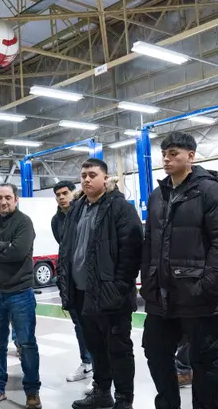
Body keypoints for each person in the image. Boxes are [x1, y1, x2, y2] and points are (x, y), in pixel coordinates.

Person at [140, 131, 218, 409]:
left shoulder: (210, 190)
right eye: (164, 154)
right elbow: (150, 242)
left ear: (190, 156)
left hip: (199, 295)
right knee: (155, 351)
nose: (167, 159)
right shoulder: (158, 194)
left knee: (204, 362)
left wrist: (207, 285)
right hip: (161, 295)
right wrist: (148, 281)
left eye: (174, 154)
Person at [57, 158, 143, 409]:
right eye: (83, 175)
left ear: (105, 179)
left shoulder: (120, 208)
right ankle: (102, 392)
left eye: (92, 175)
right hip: (82, 294)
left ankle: (124, 400)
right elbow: (66, 249)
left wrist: (118, 288)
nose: (86, 179)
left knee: (119, 350)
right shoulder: (76, 208)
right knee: (96, 348)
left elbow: (132, 252)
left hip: (111, 295)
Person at [0, 183, 41, 409]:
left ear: (16, 199)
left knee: (27, 343)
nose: (3, 202)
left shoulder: (24, 223)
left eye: (8, 197)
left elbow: (18, 252)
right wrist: (3, 247)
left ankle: (32, 391)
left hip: (19, 293)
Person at [52, 180, 94, 383]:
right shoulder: (56, 220)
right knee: (79, 324)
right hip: (70, 281)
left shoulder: (85, 212)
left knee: (97, 325)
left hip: (90, 279)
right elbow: (64, 249)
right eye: (58, 194)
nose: (61, 197)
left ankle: (102, 368)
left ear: (73, 193)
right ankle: (87, 363)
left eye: (64, 193)